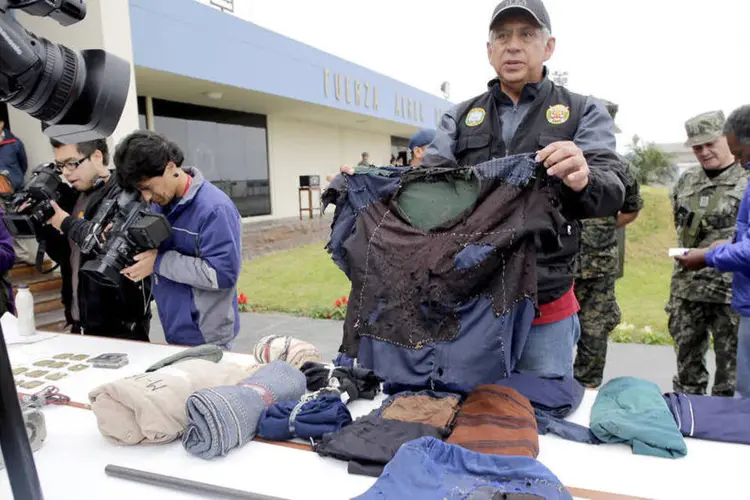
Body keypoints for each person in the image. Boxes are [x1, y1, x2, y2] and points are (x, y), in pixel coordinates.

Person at [421, 0, 627, 377]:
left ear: (548, 47)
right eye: (502, 36)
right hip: (471, 304)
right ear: (489, 51)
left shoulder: (582, 111)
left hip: (545, 307)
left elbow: (615, 186)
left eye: (527, 34)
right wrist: (376, 185)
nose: (512, 45)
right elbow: (428, 189)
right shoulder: (459, 117)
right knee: (473, 413)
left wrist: (585, 177)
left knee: (543, 416)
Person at [114, 131, 242, 348]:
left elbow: (223, 274)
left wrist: (159, 262)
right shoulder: (159, 202)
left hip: (207, 337)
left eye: (147, 188)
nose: (145, 197)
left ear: (171, 167)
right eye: (139, 190)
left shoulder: (214, 209)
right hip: (174, 329)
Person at [668, 110, 748, 397]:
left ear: (727, 139)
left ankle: (726, 433)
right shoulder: (687, 180)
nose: (703, 152)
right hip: (688, 289)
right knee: (687, 372)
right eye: (697, 147)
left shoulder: (746, 176)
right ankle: (688, 421)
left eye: (710, 144)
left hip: (729, 291)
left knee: (731, 377)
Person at [41, 138, 152, 340]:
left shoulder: (125, 193)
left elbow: (104, 243)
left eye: (72, 163)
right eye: (60, 166)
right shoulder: (74, 197)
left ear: (97, 156)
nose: (66, 172)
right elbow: (67, 256)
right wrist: (44, 228)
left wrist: (65, 222)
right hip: (80, 324)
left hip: (121, 329)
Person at [573, 100, 643, 388]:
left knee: (595, 331)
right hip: (559, 267)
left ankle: (587, 390)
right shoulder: (562, 159)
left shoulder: (622, 169)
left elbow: (632, 207)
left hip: (599, 268)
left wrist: (601, 226)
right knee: (551, 332)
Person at [0, 118, 27, 193]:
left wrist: (16, 179)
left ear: (1, 123)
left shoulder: (15, 143)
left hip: (17, 189)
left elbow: (23, 165)